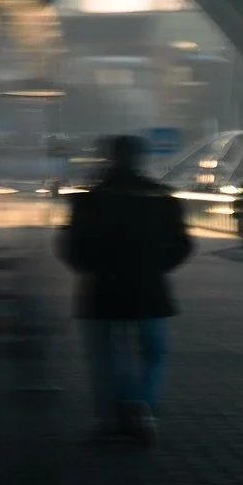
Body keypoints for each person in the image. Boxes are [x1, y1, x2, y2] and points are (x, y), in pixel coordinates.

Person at [59, 135, 192, 445]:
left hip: (100, 289)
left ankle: (113, 417)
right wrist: (157, 267)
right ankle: (140, 403)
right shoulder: (161, 197)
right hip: (149, 289)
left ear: (108, 158)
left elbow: (70, 245)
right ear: (139, 159)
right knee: (154, 352)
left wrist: (90, 269)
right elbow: (183, 245)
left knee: (105, 358)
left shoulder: (90, 198)